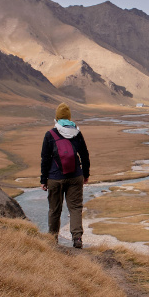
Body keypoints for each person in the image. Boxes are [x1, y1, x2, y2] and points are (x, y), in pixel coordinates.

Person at [40, 103, 90, 248]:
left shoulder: (50, 134)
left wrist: (43, 179)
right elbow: (85, 156)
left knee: (54, 209)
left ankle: (52, 239)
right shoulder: (77, 133)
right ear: (69, 117)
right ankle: (77, 238)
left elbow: (45, 159)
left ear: (56, 117)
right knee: (75, 208)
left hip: (55, 178)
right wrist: (85, 174)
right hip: (75, 177)